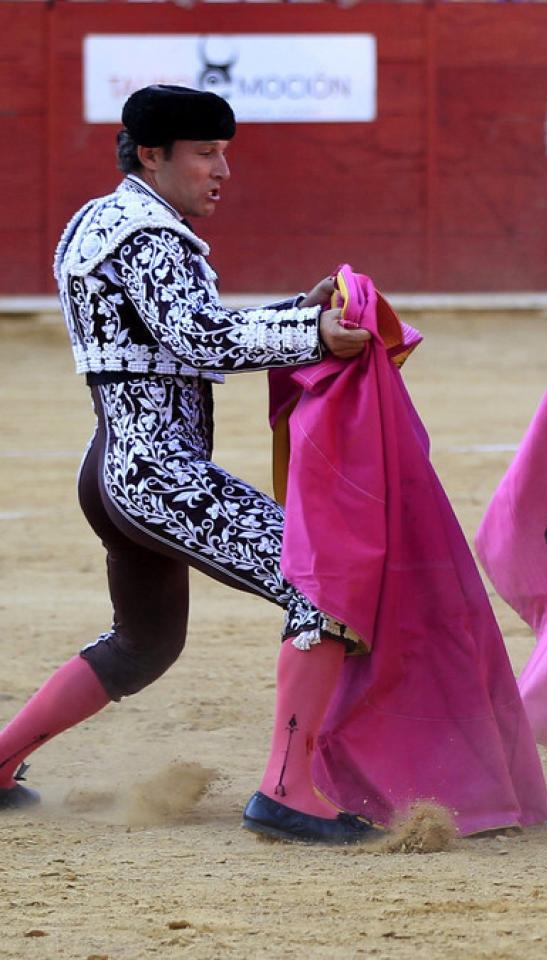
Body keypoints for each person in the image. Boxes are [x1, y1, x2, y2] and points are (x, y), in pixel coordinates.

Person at [0, 85, 377, 844]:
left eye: (223, 152)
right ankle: (286, 790)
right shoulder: (149, 234)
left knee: (144, 643)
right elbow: (197, 339)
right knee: (322, 579)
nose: (222, 171)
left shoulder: (102, 220)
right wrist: (311, 335)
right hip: (159, 475)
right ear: (152, 154)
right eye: (206, 153)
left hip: (113, 467)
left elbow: (174, 334)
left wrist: (292, 314)